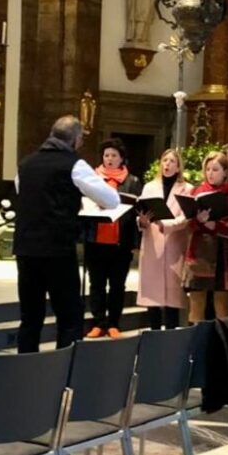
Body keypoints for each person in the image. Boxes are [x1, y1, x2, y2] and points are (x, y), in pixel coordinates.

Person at [13, 116, 119, 353]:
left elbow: (24, 193)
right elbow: (111, 199)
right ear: (77, 139)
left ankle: (23, 374)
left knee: (30, 317)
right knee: (69, 316)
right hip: (57, 250)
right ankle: (64, 375)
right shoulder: (74, 164)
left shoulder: (26, 164)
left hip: (26, 249)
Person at [83, 138, 142, 339]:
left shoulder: (132, 181)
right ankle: (98, 322)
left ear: (121, 158)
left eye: (114, 156)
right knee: (97, 283)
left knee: (117, 285)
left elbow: (137, 210)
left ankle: (114, 323)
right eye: (106, 155)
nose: (109, 159)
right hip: (96, 239)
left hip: (120, 240)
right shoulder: (92, 178)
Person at [182, 151, 228, 324]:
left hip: (224, 253)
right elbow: (189, 223)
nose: (210, 173)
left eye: (215, 169)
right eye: (208, 169)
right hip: (200, 252)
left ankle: (221, 346)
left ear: (225, 171)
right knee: (196, 303)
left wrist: (216, 226)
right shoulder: (198, 191)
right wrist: (199, 221)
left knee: (222, 305)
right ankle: (196, 344)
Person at [136, 149, 192, 330]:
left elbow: (186, 218)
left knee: (172, 299)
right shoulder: (150, 187)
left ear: (178, 166)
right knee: (152, 297)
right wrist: (142, 221)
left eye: (172, 161)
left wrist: (166, 224)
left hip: (174, 245)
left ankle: (170, 338)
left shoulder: (187, 189)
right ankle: (153, 334)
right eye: (165, 160)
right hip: (153, 245)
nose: (167, 164)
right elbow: (142, 211)